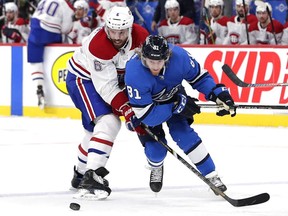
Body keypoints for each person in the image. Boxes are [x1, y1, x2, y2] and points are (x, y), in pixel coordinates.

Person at [125, 35, 236, 193]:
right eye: (151, 61)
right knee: (156, 152)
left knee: (184, 135)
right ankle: (156, 166)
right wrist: (176, 106)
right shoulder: (134, 71)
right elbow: (148, 116)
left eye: (159, 61)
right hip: (148, 108)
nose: (155, 66)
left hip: (174, 96)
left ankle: (211, 175)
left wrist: (218, 94)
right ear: (143, 57)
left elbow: (199, 78)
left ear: (167, 57)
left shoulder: (180, 57)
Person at [66, 6, 149, 200]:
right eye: (113, 31)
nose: (117, 36)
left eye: (121, 32)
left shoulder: (141, 36)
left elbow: (144, 70)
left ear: (130, 28)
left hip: (110, 81)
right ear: (106, 27)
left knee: (93, 133)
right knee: (109, 122)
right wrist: (127, 109)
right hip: (83, 80)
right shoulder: (98, 45)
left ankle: (80, 175)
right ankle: (92, 177)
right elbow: (107, 88)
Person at [27, 0, 74, 109]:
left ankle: (39, 86)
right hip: (50, 32)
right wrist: (73, 19)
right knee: (54, 55)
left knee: (36, 61)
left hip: (35, 28)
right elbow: (65, 29)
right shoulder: (66, 5)